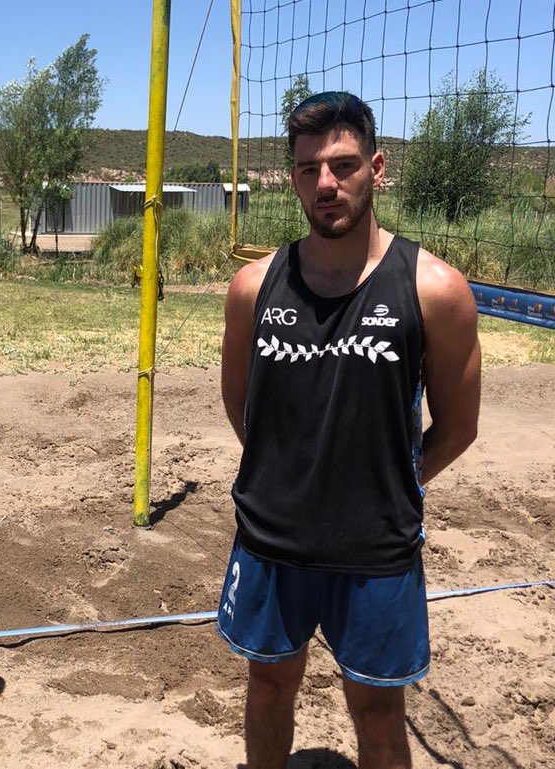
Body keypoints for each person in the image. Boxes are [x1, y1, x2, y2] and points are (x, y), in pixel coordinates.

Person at [217, 91, 481, 769]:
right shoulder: (254, 286)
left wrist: (387, 480)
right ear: (295, 178)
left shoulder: (435, 289)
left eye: (343, 164)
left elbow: (458, 426)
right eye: (308, 169)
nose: (326, 184)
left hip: (377, 547)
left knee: (376, 707)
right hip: (273, 537)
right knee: (270, 683)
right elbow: (241, 405)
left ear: (378, 166)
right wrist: (293, 473)